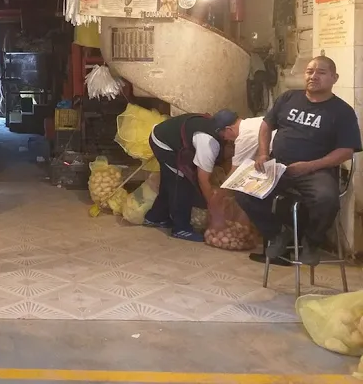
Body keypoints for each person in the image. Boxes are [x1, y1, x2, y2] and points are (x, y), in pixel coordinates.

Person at [236, 56, 361, 266]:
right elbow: (266, 125)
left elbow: (346, 151)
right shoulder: (288, 98)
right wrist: (263, 154)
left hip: (316, 171)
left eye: (321, 72)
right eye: (310, 71)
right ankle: (277, 234)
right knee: (243, 190)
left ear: (334, 77)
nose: (313, 76)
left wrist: (310, 166)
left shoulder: (342, 112)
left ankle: (312, 242)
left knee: (326, 200)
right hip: (279, 167)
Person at [143, 110, 240, 242]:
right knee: (181, 182)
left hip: (167, 135)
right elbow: (203, 179)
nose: (232, 153)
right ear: (226, 130)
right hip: (163, 142)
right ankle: (181, 228)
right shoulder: (209, 144)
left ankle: (155, 217)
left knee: (169, 180)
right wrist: (213, 205)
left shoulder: (219, 132)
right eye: (232, 150)